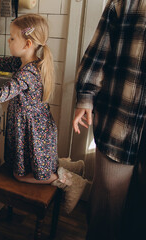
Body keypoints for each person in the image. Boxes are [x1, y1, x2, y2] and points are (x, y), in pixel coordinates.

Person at [0, 14, 87, 214]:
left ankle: (68, 180)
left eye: (12, 38)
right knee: (37, 163)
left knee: (20, 175)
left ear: (28, 43)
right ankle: (68, 166)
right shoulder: (25, 63)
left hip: (33, 130)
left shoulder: (28, 72)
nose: (8, 40)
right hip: (36, 126)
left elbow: (1, 94)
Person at [72, 0, 146, 239]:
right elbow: (97, 54)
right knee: (107, 209)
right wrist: (85, 98)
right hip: (120, 123)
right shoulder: (125, 3)